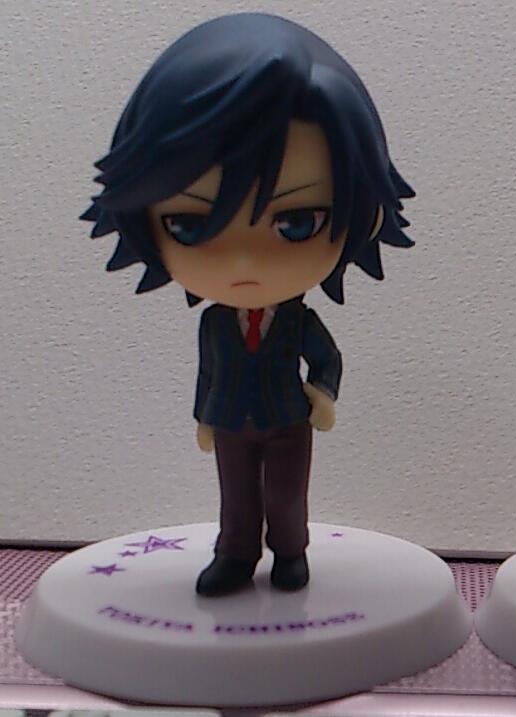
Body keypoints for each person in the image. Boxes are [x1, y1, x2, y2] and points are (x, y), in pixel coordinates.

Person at [83, 13, 414, 596]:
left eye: (296, 222)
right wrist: (203, 417)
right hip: (231, 419)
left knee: (286, 495)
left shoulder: (299, 321)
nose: (242, 261)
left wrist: (323, 395)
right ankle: (235, 555)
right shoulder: (215, 322)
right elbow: (208, 370)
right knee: (235, 496)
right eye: (189, 225)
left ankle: (290, 552)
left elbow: (327, 358)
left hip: (288, 417)